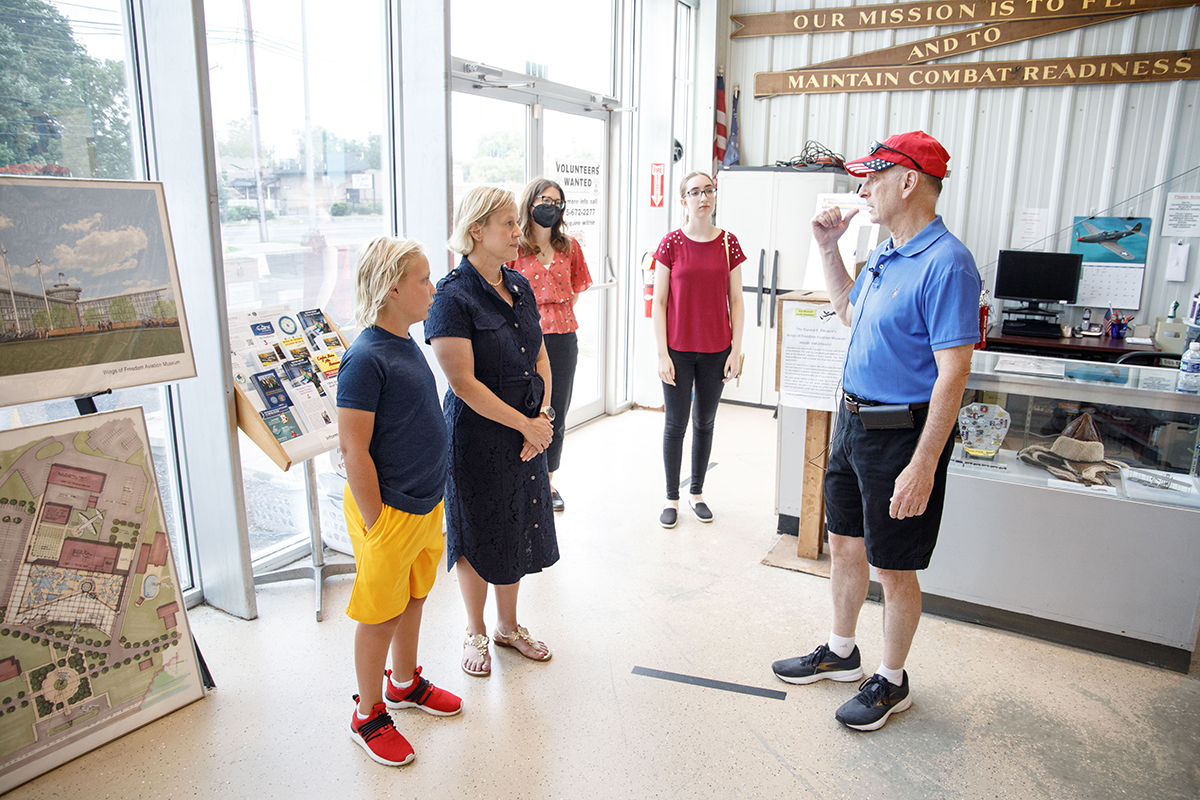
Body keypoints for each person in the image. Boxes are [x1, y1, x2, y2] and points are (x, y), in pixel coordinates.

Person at [771, 131, 981, 732]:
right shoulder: (888, 252)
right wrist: (829, 248)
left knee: (893, 567)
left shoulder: (948, 263)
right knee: (844, 544)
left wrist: (923, 464)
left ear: (909, 181)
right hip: (852, 423)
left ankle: (892, 679)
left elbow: (953, 373)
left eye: (874, 176)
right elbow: (847, 310)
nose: (862, 188)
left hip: (900, 435)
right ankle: (842, 652)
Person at [337, 236, 463, 768]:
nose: (433, 288)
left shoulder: (405, 342)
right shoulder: (364, 358)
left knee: (413, 597)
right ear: (391, 288)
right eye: (423, 279)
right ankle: (367, 712)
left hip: (424, 504)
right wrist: (377, 523)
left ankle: (404, 682)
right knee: (380, 614)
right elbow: (353, 449)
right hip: (389, 511)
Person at [425, 185, 558, 678]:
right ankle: (475, 629)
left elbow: (540, 356)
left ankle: (508, 625)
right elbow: (462, 383)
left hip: (527, 432)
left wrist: (542, 419)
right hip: (479, 436)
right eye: (509, 223)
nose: (518, 231)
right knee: (477, 529)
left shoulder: (518, 285)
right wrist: (526, 425)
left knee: (516, 524)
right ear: (476, 229)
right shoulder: (451, 296)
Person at [650, 171, 746, 528]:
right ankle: (671, 498)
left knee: (705, 422)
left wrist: (736, 350)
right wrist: (662, 353)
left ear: (715, 196)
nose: (703, 197)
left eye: (708, 190)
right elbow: (659, 302)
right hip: (677, 349)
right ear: (683, 201)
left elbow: (736, 300)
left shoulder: (728, 243)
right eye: (695, 192)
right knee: (675, 424)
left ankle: (697, 494)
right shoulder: (670, 244)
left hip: (716, 349)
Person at [507, 178, 593, 512]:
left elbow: (576, 289)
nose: (551, 207)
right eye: (545, 200)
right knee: (523, 409)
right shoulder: (514, 247)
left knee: (555, 410)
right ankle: (521, 479)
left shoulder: (569, 247)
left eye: (557, 202)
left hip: (562, 338)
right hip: (522, 341)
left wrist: (554, 314)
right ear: (529, 203)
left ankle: (547, 482)